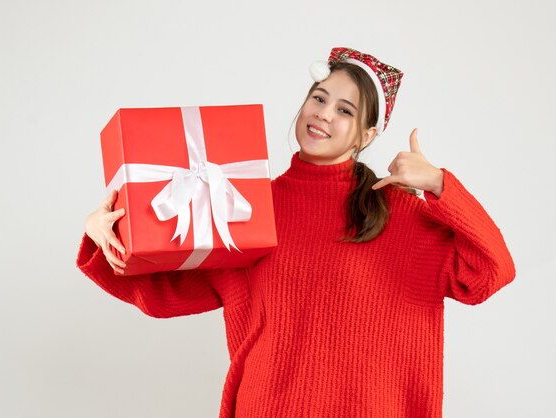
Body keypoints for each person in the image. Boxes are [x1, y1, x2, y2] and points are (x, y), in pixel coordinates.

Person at [76, 47, 516, 418]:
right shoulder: (245, 206)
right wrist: (107, 234)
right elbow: (165, 292)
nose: (323, 115)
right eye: (319, 99)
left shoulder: (400, 212)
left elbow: (489, 273)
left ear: (367, 133)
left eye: (344, 110)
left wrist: (440, 184)